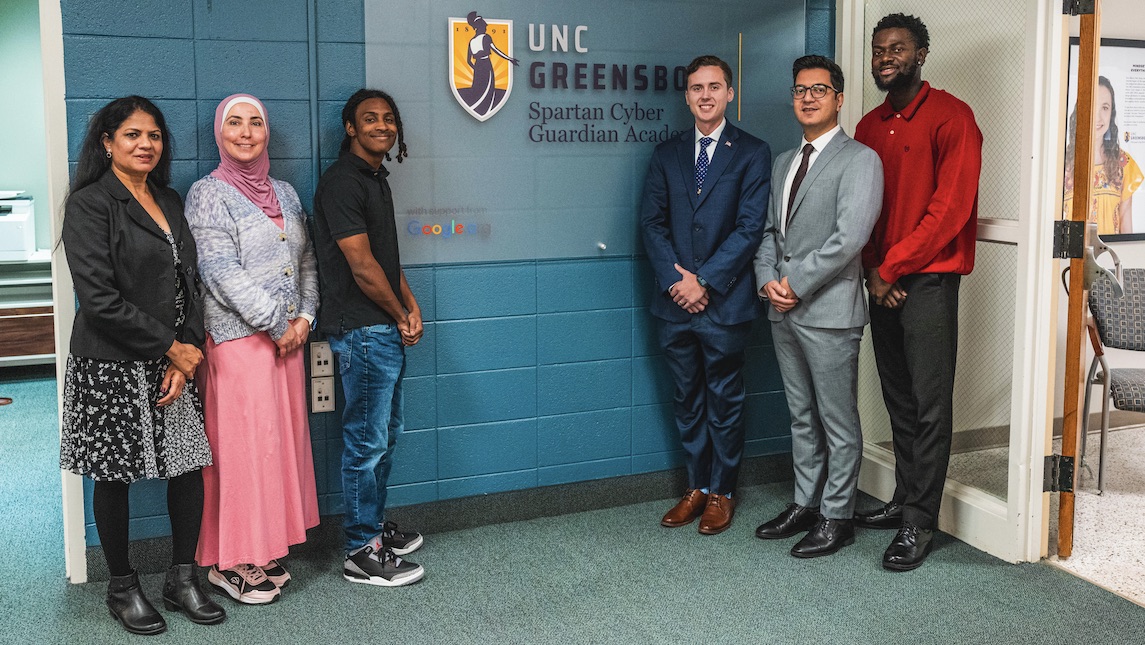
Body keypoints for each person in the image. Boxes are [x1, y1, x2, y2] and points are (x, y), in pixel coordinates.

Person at [60, 96, 225, 635]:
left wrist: (187, 349)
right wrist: (168, 347)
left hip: (173, 359)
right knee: (115, 475)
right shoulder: (89, 204)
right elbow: (99, 298)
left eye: (153, 135)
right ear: (107, 142)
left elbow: (191, 282)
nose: (145, 144)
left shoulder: (169, 199)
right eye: (132, 135)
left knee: (186, 465)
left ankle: (182, 580)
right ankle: (122, 587)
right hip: (111, 362)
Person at [852, 13, 983, 571]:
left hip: (927, 281)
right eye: (879, 49)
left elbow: (949, 210)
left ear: (922, 53)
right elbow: (862, 212)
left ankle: (919, 523)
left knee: (930, 405)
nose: (886, 56)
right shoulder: (867, 126)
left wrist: (895, 267)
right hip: (883, 281)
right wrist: (875, 273)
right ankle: (906, 496)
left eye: (897, 48)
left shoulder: (952, 117)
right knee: (899, 398)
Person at [185, 94, 320, 604]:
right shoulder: (207, 193)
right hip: (240, 341)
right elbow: (218, 272)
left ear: (268, 132)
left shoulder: (284, 191)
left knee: (273, 448)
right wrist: (277, 321)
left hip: (288, 343)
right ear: (219, 133)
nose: (245, 132)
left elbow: (306, 261)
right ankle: (229, 561)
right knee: (239, 452)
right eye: (234, 123)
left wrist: (305, 317)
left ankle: (261, 549)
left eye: (255, 122)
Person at [752, 56, 883, 558]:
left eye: (820, 90)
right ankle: (805, 503)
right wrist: (768, 282)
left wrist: (794, 282)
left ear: (839, 98)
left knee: (837, 421)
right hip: (782, 309)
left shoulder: (860, 160)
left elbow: (850, 238)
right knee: (801, 416)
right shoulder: (784, 161)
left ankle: (837, 515)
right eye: (800, 90)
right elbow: (769, 234)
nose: (808, 98)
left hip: (828, 311)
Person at [640, 55, 771, 535]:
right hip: (674, 305)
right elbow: (651, 224)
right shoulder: (667, 154)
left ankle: (723, 492)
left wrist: (705, 281)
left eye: (715, 86)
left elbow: (750, 227)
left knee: (725, 399)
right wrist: (679, 283)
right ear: (687, 95)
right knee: (687, 399)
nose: (705, 95)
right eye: (696, 88)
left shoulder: (753, 152)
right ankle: (695, 486)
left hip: (725, 303)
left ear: (729, 93)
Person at [313, 88, 425, 586]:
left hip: (381, 326)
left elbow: (383, 257)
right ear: (351, 129)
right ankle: (361, 549)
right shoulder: (341, 181)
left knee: (384, 436)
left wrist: (410, 304)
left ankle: (375, 528)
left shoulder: (375, 178)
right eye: (369, 119)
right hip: (360, 332)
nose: (382, 125)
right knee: (365, 442)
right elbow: (360, 265)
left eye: (388, 118)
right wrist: (398, 312)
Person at [1063, 76, 1142, 235]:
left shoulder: (1124, 164)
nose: (1098, 117)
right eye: (1092, 105)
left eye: (1104, 107)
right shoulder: (1061, 163)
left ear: (1111, 113)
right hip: (1072, 259)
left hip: (1109, 257)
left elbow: (1126, 231)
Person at [458, 11, 518, 116]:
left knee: (479, 87)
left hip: (477, 66)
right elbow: (496, 50)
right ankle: (484, 107)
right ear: (479, 26)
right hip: (485, 64)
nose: (486, 27)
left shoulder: (471, 41)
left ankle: (479, 106)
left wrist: (476, 68)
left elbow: (468, 60)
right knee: (487, 87)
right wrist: (509, 59)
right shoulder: (486, 37)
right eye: (484, 25)